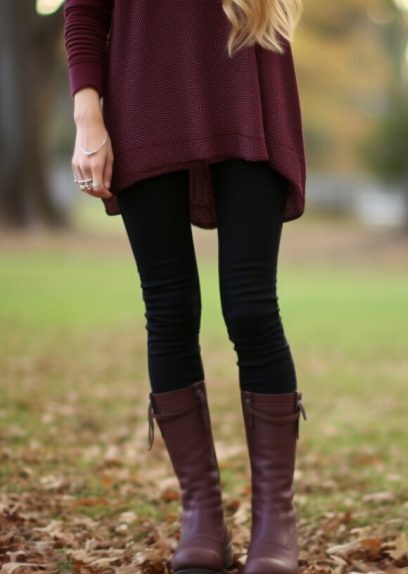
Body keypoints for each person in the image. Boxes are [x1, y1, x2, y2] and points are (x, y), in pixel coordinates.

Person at [63, 1, 308, 572]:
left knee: (250, 307)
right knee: (169, 308)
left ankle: (277, 520)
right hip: (141, 96)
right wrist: (87, 116)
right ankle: (202, 517)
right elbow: (84, 11)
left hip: (247, 78)